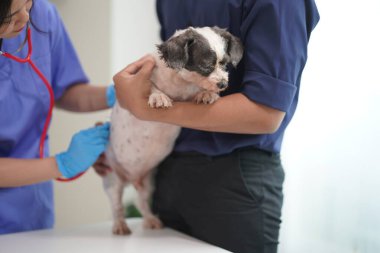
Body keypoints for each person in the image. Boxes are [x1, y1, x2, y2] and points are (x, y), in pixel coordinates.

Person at [111, 0, 320, 252]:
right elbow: (172, 73)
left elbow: (265, 114)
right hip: (167, 170)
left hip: (234, 181)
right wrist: (118, 148)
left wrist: (143, 108)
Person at [0, 0, 116, 234]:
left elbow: (64, 89)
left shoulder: (42, 14)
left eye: (27, 4)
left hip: (32, 212)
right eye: (12, 15)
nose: (25, 18)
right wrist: (61, 164)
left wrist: (115, 95)